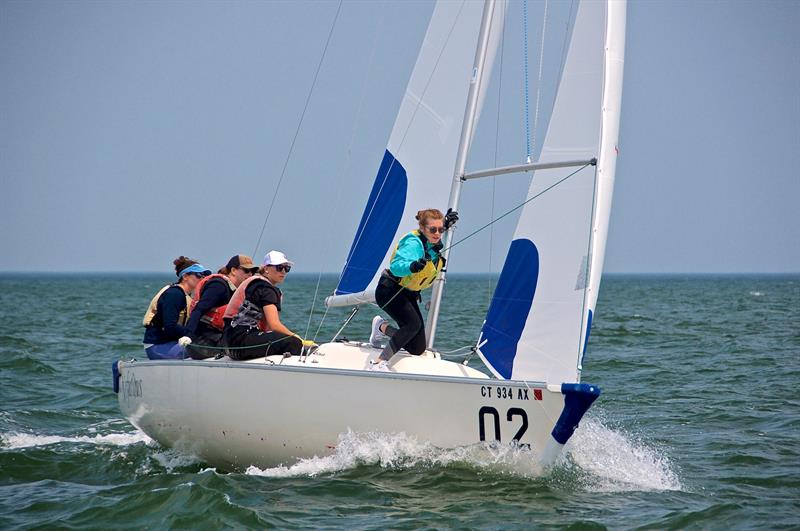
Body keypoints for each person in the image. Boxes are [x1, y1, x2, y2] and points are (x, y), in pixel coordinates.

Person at [368, 208, 458, 372]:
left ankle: (381, 327)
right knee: (412, 324)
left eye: (441, 229)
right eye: (433, 229)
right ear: (423, 229)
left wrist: (445, 223)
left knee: (417, 348)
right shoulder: (412, 242)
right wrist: (412, 266)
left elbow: (432, 241)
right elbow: (396, 267)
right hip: (389, 291)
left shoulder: (430, 241)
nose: (438, 233)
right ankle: (379, 362)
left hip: (407, 294)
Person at [221, 250, 315, 361]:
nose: (283, 271)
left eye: (287, 268)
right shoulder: (265, 289)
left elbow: (270, 328)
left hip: (229, 341)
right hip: (240, 342)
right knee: (293, 342)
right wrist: (298, 338)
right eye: (279, 267)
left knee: (281, 339)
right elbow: (274, 324)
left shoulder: (257, 283)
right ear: (266, 268)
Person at [181, 254, 259, 359]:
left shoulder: (236, 292)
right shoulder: (219, 286)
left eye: (252, 272)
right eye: (246, 270)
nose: (250, 274)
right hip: (202, 342)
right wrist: (188, 335)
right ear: (233, 270)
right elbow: (199, 309)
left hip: (217, 338)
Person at [142, 256, 211, 360]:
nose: (202, 279)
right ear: (185, 276)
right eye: (198, 275)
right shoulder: (174, 294)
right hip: (157, 347)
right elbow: (170, 326)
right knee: (207, 350)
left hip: (169, 343)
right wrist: (192, 335)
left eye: (204, 276)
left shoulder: (185, 295)